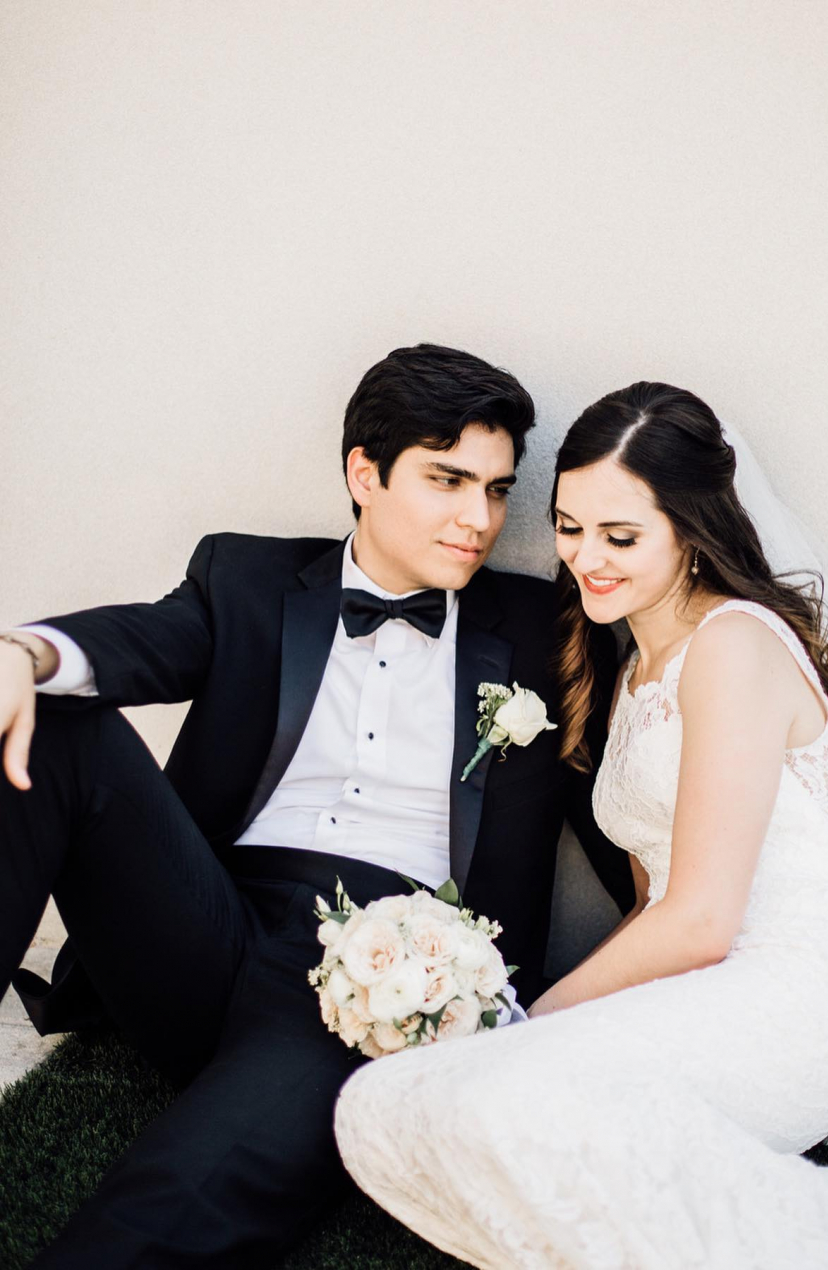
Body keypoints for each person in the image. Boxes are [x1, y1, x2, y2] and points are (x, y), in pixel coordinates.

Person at [333, 382, 828, 1268]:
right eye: (569, 527)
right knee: (390, 1104)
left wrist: (528, 1018)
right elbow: (654, 907)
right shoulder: (632, 670)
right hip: (709, 988)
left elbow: (698, 921)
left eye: (620, 537)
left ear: (690, 531)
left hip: (793, 1000)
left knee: (506, 1096)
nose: (585, 558)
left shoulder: (732, 645)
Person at [0, 343, 632, 1269]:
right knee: (52, 719)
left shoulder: (546, 628)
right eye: (448, 480)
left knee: (193, 1182)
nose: (480, 519)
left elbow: (620, 814)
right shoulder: (245, 576)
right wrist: (22, 653)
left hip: (386, 969)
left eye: (497, 491)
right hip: (202, 921)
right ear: (364, 474)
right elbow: (150, 639)